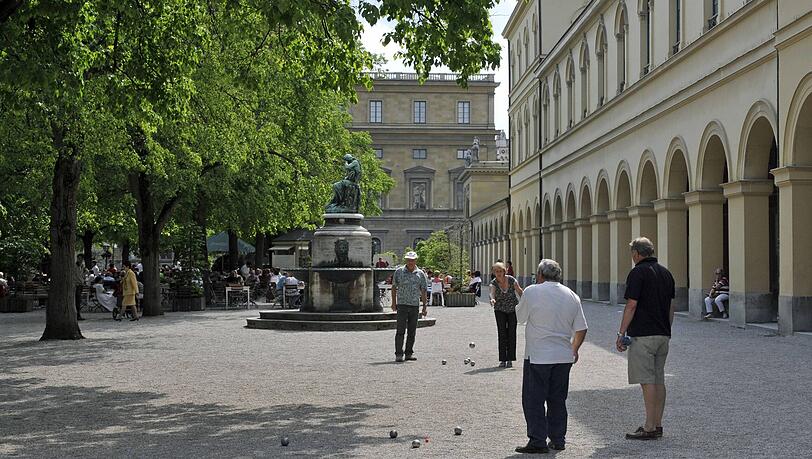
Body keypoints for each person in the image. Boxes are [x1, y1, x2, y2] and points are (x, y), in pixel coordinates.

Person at [514, 259, 587, 454]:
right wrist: (574, 348)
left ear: (539, 275)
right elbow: (582, 328)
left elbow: (520, 318)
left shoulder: (532, 291)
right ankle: (558, 439)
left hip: (538, 355)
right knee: (557, 399)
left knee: (533, 399)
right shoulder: (572, 295)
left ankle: (537, 439)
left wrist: (521, 296)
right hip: (563, 355)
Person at [617, 237, 675, 440]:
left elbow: (631, 305)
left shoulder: (637, 273)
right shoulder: (666, 273)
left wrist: (621, 332)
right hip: (662, 334)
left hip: (643, 334)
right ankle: (658, 424)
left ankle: (649, 426)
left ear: (636, 254)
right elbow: (671, 307)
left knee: (647, 381)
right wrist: (667, 329)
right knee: (659, 379)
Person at [391, 251, 428, 362]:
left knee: (412, 331)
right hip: (402, 304)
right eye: (408, 260)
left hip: (414, 305)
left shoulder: (420, 274)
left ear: (415, 260)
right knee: (400, 330)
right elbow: (393, 287)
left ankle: (408, 353)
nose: (410, 262)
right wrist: (393, 302)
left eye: (412, 260)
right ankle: (398, 354)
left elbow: (424, 290)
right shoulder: (399, 272)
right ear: (406, 260)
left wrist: (424, 306)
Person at [489, 262, 524, 368]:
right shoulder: (493, 283)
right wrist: (492, 299)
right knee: (502, 333)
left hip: (512, 309)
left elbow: (519, 291)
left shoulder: (512, 280)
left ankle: (510, 359)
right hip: (500, 310)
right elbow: (492, 292)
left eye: (500, 271)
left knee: (512, 333)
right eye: (496, 271)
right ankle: (503, 359)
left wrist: (526, 300)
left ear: (504, 271)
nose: (498, 273)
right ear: (494, 273)